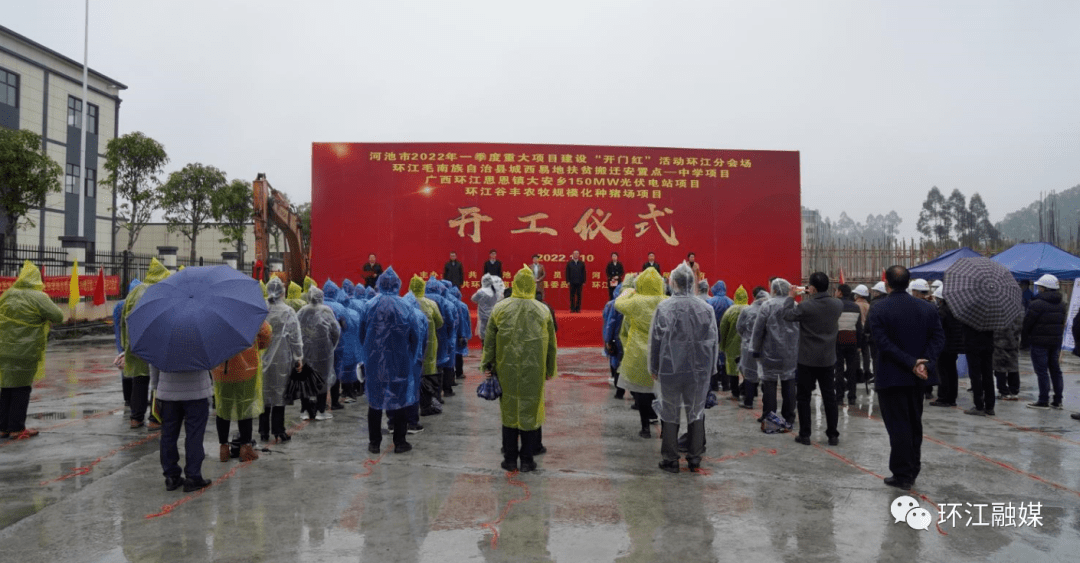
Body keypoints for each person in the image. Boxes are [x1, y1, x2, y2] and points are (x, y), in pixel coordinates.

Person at [870, 265, 944, 490]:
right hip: (917, 378)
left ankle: (903, 474)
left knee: (898, 426)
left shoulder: (879, 308)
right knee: (914, 423)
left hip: (892, 376)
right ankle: (912, 467)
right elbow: (938, 339)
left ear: (886, 284)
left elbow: (882, 342)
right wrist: (924, 362)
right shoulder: (927, 308)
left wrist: (912, 362)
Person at [481, 267, 557, 473]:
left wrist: (487, 365)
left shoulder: (500, 308)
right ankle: (527, 459)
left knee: (509, 412)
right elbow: (551, 344)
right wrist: (550, 368)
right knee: (530, 412)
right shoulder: (542, 310)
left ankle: (510, 458)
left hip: (506, 368)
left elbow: (489, 342)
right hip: (534, 370)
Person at [649, 264, 718, 473]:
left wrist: (654, 366)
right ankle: (694, 457)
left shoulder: (664, 307)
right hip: (698, 371)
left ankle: (670, 459)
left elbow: (656, 341)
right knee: (695, 412)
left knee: (669, 412)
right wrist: (712, 368)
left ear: (675, 283)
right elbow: (713, 341)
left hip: (670, 369)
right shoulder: (706, 308)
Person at [360, 267, 424, 454]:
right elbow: (415, 335)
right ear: (397, 284)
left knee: (375, 402)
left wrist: (370, 352)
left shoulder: (369, 305)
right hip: (400, 360)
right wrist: (410, 356)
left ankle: (374, 443)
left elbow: (362, 334)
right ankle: (400, 442)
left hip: (374, 360)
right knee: (400, 401)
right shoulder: (406, 306)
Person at [0, 261, 64, 440]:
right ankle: (16, 428)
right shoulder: (38, 297)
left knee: (6, 388)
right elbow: (58, 316)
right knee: (21, 388)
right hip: (25, 351)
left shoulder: (7, 294)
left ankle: (3, 427)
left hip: (3, 350)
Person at [783, 273, 842, 446]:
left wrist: (790, 297)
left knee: (803, 397)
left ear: (813, 288)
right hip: (828, 358)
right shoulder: (837, 305)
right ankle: (833, 434)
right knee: (829, 397)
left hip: (807, 359)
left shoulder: (806, 306)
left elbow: (786, 315)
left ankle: (805, 434)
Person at [121, 258, 172, 430]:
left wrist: (124, 345)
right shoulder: (161, 291)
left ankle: (135, 418)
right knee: (157, 382)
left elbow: (124, 318)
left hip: (134, 341)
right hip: (156, 342)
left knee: (139, 379)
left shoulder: (135, 291)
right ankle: (155, 419)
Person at [615, 268, 666, 437]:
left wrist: (628, 290)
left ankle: (645, 428)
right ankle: (665, 429)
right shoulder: (665, 301)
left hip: (638, 352)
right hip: (662, 352)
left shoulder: (636, 300)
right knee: (664, 393)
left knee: (642, 393)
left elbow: (618, 304)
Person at [212, 321, 271, 463]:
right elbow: (265, 335)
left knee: (222, 409)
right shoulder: (249, 316)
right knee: (245, 408)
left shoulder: (215, 318)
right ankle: (245, 448)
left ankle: (224, 449)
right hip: (247, 370)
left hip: (221, 370)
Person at [151, 363, 214, 492]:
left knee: (168, 435)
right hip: (197, 391)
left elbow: (154, 363)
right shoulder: (200, 342)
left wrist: (155, 387)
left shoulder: (162, 343)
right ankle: (193, 476)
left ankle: (171, 476)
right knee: (194, 435)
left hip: (168, 392)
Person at [750, 278, 799, 430]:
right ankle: (789, 416)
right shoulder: (795, 305)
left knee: (769, 384)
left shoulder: (767, 305)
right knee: (789, 382)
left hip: (770, 351)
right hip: (790, 352)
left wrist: (755, 349)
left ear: (775, 290)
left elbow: (758, 330)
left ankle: (769, 416)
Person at [260, 278, 303, 443]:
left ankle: (263, 431)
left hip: (262, 355)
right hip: (282, 357)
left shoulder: (261, 309)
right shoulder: (288, 311)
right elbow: (294, 336)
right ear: (282, 292)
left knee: (264, 392)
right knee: (279, 393)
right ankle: (278, 430)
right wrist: (298, 356)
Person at [296, 287, 341, 421]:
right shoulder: (327, 311)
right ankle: (321, 411)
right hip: (323, 351)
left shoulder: (302, 311)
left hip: (305, 351)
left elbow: (295, 330)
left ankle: (305, 410)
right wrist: (331, 346)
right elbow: (335, 331)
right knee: (322, 379)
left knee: (305, 379)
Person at [1024, 274, 1066, 410]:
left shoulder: (1036, 304)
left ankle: (1043, 400)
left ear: (1043, 288)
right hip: (1055, 341)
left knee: (1042, 371)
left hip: (1038, 342)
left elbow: (1027, 323)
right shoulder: (1061, 304)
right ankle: (1058, 400)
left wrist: (1026, 337)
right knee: (1055, 370)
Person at [409, 276, 444, 416]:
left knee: (412, 373)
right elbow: (440, 322)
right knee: (428, 373)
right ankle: (426, 406)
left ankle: (410, 406)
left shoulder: (405, 302)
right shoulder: (431, 304)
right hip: (429, 344)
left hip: (410, 345)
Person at [929, 285, 964, 407]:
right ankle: (951, 397)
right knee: (952, 372)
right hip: (954, 346)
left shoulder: (942, 310)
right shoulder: (957, 309)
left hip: (944, 346)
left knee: (943, 372)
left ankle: (943, 398)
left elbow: (938, 328)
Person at [425, 276, 458, 398]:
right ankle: (440, 394)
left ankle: (427, 395)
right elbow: (450, 321)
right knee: (441, 364)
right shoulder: (446, 302)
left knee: (426, 365)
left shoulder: (419, 300)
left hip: (425, 336)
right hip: (442, 336)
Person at [736, 287, 769, 410]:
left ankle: (748, 401)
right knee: (766, 376)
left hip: (749, 346)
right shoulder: (769, 310)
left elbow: (739, 327)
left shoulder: (747, 310)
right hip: (766, 347)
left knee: (749, 374)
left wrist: (746, 338)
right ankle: (768, 404)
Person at [834, 284, 864, 407]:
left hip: (837, 341)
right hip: (852, 341)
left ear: (840, 292)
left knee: (839, 370)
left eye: (836, 291)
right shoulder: (855, 307)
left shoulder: (835, 305)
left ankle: (839, 397)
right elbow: (859, 328)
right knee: (852, 370)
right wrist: (859, 344)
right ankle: (852, 397)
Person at [112, 279, 140, 406]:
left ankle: (128, 398)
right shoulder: (139, 303)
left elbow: (117, 328)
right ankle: (133, 397)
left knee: (125, 366)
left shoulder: (120, 305)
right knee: (138, 369)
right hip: (134, 340)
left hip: (123, 340)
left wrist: (120, 348)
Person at [719, 285, 749, 402]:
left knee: (732, 370)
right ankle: (748, 391)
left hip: (731, 346)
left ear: (735, 296)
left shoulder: (730, 311)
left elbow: (723, 329)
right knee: (748, 370)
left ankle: (735, 393)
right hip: (747, 346)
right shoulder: (750, 309)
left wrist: (722, 345)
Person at [706, 281, 734, 393]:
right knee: (725, 358)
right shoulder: (730, 302)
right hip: (726, 334)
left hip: (713, 333)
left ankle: (714, 384)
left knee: (713, 358)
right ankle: (726, 384)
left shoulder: (710, 301)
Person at [602, 281, 627, 399]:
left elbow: (609, 323)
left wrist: (607, 339)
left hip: (616, 338)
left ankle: (620, 391)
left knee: (617, 364)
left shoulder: (612, 305)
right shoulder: (633, 303)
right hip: (630, 339)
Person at [993, 313, 1022, 401]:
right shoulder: (1016, 311)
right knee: (1013, 367)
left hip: (1000, 343)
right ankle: (1014, 391)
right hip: (1013, 342)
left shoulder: (997, 313)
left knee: (1000, 368)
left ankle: (1003, 391)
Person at [472, 274, 501, 345]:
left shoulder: (481, 291)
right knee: (492, 329)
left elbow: (473, 299)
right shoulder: (495, 291)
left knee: (483, 330)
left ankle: (484, 345)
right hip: (492, 314)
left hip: (483, 315)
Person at [852, 284, 872, 384]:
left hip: (857, 331)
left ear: (858, 295)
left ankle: (857, 372)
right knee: (866, 353)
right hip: (867, 332)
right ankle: (867, 371)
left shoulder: (855, 305)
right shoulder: (869, 305)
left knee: (856, 352)